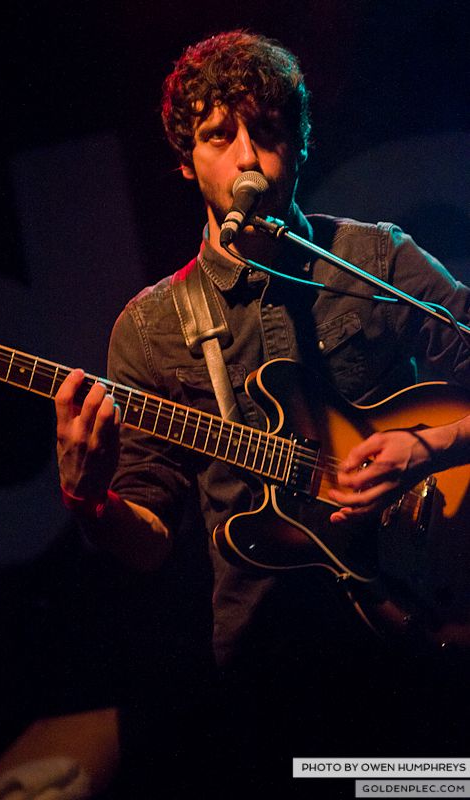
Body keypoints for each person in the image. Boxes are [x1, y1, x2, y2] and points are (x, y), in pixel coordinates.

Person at [55, 30, 470, 794]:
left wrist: (428, 450)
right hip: (274, 676)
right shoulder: (150, 328)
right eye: (219, 135)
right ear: (187, 160)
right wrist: (91, 501)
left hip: (417, 641)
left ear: (299, 145)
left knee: (428, 787)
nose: (247, 156)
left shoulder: (375, 260)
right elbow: (146, 541)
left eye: (267, 131)